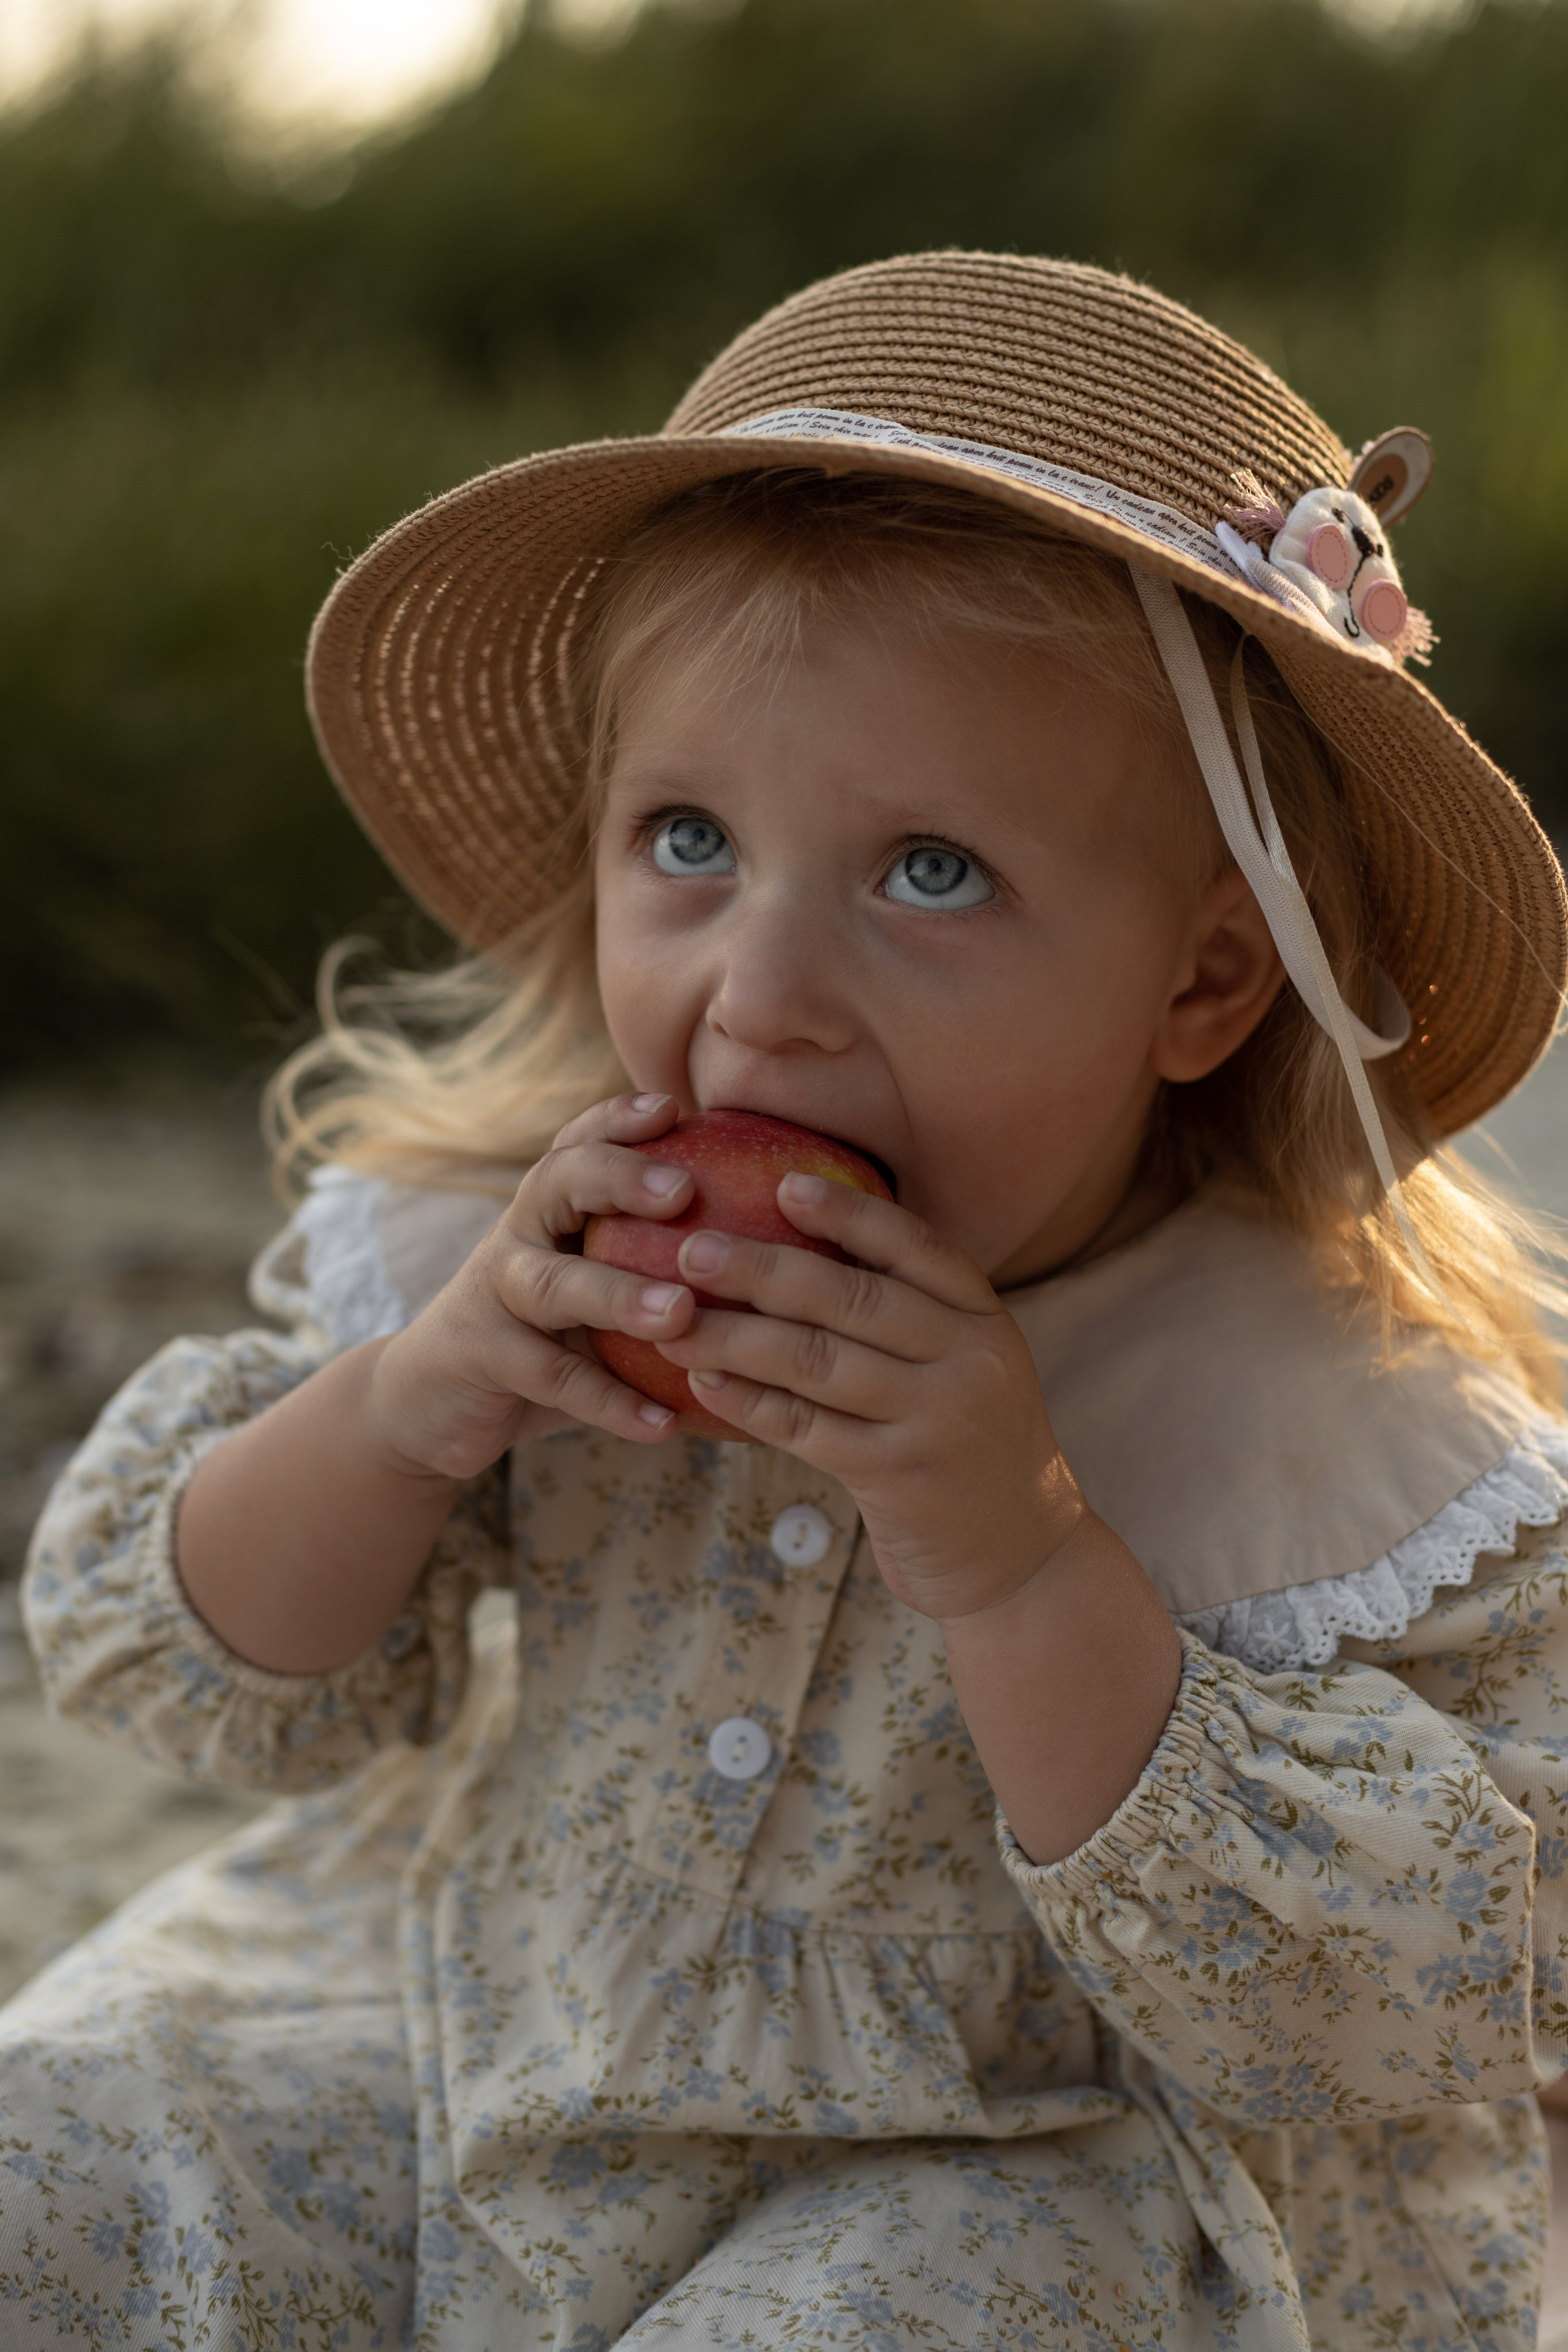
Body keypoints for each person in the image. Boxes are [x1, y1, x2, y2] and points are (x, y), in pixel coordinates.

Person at [5, 250, 1568, 2352]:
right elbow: (174, 1662)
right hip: (497, 2012)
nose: (758, 999)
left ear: (1203, 980)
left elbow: (1424, 1983)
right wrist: (409, 1409)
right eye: (687, 839)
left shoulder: (1315, 1419)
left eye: (931, 873)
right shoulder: (518, 1255)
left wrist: (1019, 1551)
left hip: (1024, 2154)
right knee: (77, 2147)